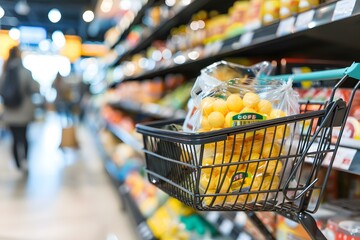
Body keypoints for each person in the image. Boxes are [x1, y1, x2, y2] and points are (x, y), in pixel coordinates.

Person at [0, 46, 39, 170]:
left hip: (10, 112)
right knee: (24, 137)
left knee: (14, 139)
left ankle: (17, 164)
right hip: (23, 112)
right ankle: (25, 160)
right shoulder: (25, 72)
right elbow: (35, 88)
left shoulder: (5, 72)